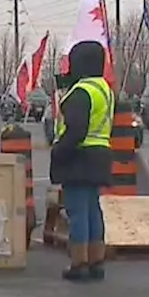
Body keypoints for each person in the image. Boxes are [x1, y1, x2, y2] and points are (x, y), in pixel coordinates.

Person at [50, 41, 115, 282]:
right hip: (100, 154)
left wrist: (59, 150)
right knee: (92, 211)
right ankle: (96, 261)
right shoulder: (104, 89)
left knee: (77, 212)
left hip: (79, 156)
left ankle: (79, 263)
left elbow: (76, 129)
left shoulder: (80, 93)